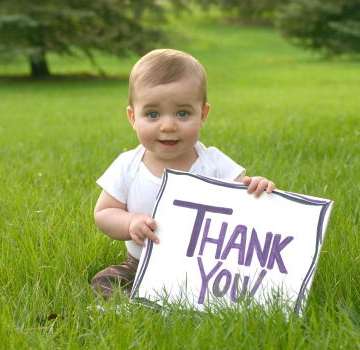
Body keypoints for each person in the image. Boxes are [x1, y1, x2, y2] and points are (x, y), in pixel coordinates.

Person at [91, 49, 275, 300]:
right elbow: (103, 213)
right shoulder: (128, 166)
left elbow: (243, 200)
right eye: (153, 114)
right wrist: (130, 222)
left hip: (203, 266)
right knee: (105, 281)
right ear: (133, 118)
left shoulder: (213, 163)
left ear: (203, 115)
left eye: (183, 113)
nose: (168, 126)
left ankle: (191, 299)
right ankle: (133, 307)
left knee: (228, 291)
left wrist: (256, 187)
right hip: (142, 262)